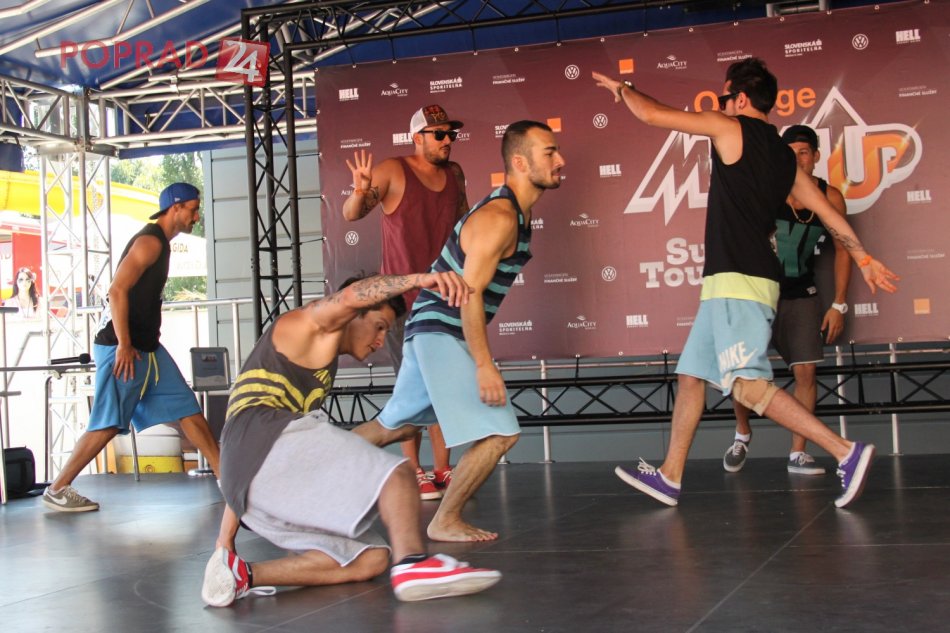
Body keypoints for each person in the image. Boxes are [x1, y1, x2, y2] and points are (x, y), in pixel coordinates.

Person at [592, 58, 898, 509]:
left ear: (739, 99)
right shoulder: (783, 157)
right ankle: (670, 476)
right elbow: (829, 214)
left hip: (740, 280)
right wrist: (863, 257)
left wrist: (623, 89)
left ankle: (845, 453)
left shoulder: (729, 127)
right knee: (692, 376)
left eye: (724, 98)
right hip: (729, 282)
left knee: (748, 387)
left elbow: (652, 114)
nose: (721, 106)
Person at [202, 271, 502, 607]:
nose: (380, 340)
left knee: (370, 558)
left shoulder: (320, 360)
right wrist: (419, 280)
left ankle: (241, 574)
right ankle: (413, 564)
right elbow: (348, 297)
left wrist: (224, 542)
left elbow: (242, 465)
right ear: (355, 313)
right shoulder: (305, 325)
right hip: (263, 441)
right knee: (397, 475)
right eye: (379, 326)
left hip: (249, 477)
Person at [353, 120, 566, 542]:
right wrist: (484, 365)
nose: (560, 160)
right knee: (500, 433)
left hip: (429, 327)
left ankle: (310, 468)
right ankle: (445, 519)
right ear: (521, 163)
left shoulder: (517, 214)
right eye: (550, 152)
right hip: (440, 329)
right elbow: (469, 295)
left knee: (392, 426)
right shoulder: (500, 217)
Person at [42, 183, 221, 512]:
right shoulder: (150, 242)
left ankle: (227, 477)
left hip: (149, 349)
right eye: (193, 209)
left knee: (188, 410)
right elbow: (116, 290)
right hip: (124, 348)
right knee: (109, 422)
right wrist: (124, 344)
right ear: (175, 208)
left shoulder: (162, 245)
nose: (196, 217)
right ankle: (57, 488)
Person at [342, 104, 469, 501]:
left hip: (445, 297)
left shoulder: (455, 174)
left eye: (451, 134)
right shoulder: (393, 170)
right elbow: (351, 214)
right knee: (410, 387)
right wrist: (360, 190)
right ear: (418, 138)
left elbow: (465, 225)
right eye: (439, 134)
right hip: (403, 302)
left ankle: (443, 468)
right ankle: (413, 469)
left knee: (444, 386)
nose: (448, 140)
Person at [723, 124, 851, 476]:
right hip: (757, 293)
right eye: (790, 153)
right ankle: (742, 433)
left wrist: (839, 304)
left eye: (804, 152)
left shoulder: (829, 196)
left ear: (816, 156)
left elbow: (844, 250)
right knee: (742, 371)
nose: (798, 159)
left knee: (806, 371)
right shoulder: (766, 192)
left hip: (801, 294)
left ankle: (798, 453)